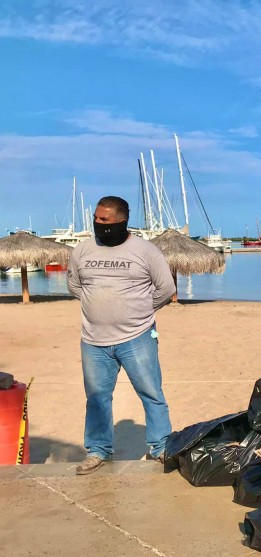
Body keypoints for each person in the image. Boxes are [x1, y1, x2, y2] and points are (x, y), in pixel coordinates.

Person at [67, 196, 176, 474]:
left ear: (121, 220)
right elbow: (75, 286)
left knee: (151, 393)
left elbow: (164, 288)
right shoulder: (82, 250)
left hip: (137, 337)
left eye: (104, 219)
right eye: (95, 217)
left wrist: (137, 311)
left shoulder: (145, 250)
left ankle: (161, 446)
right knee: (97, 397)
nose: (97, 223)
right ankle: (98, 450)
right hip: (93, 340)